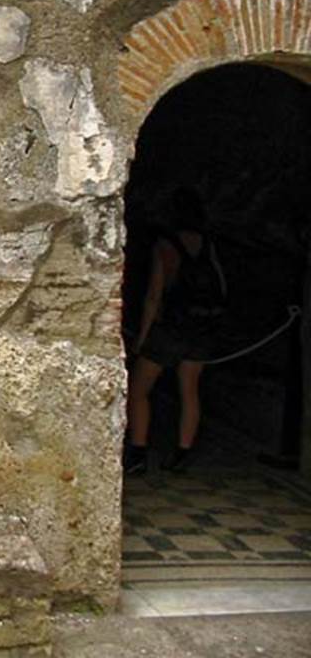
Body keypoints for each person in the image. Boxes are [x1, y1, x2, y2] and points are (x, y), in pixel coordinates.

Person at [124, 187, 227, 475]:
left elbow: (154, 296)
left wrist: (142, 338)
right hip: (200, 327)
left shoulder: (165, 245)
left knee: (139, 390)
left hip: (170, 328)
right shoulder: (208, 244)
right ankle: (182, 453)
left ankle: (139, 451)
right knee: (190, 390)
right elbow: (221, 286)